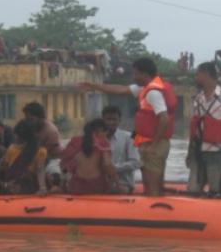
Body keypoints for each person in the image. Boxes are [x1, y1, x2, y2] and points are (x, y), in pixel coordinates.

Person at [78, 57, 175, 196]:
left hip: (154, 144)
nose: (133, 76)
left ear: (145, 74)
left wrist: (154, 145)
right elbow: (119, 89)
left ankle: (154, 210)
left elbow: (164, 118)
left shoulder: (153, 93)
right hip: (147, 142)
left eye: (136, 73)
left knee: (153, 186)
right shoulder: (144, 88)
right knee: (148, 183)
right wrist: (94, 86)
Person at [187, 62, 221, 194]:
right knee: (193, 190)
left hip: (216, 153)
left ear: (206, 75)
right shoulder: (198, 98)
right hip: (197, 151)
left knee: (216, 190)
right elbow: (195, 128)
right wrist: (189, 152)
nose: (195, 78)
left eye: (197, 75)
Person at [0, 120, 47, 195]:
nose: (15, 137)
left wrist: (42, 188)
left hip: (30, 192)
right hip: (11, 191)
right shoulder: (11, 149)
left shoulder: (40, 151)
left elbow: (40, 170)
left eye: (17, 135)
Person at [61, 119, 117, 195]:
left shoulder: (75, 141)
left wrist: (62, 184)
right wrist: (118, 184)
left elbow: (64, 165)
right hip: (97, 185)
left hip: (77, 185)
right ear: (100, 130)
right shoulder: (103, 143)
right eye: (105, 133)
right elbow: (107, 164)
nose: (106, 136)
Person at [102, 105, 139, 193]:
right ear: (103, 120)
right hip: (101, 183)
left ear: (119, 121)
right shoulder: (96, 138)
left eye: (114, 119)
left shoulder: (129, 137)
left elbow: (135, 163)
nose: (111, 122)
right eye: (108, 119)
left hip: (123, 184)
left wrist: (113, 168)